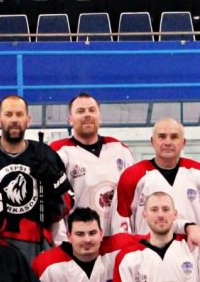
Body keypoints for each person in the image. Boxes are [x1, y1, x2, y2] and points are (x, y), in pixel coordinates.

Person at [0, 94, 71, 261]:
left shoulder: (45, 155)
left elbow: (65, 207)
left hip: (36, 249)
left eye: (19, 114)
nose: (14, 120)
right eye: (8, 114)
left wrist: (53, 186)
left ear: (28, 120)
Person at [116, 117, 200, 256]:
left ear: (183, 142)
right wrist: (129, 260)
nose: (167, 142)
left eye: (174, 137)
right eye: (162, 136)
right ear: (152, 141)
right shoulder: (131, 176)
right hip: (147, 258)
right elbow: (121, 226)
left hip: (193, 257)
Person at [50, 93, 136, 239]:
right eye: (80, 111)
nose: (87, 115)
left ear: (99, 117)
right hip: (79, 242)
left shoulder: (119, 149)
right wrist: (63, 242)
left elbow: (133, 199)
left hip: (118, 241)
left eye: (92, 110)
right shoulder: (59, 152)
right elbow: (55, 205)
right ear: (70, 119)